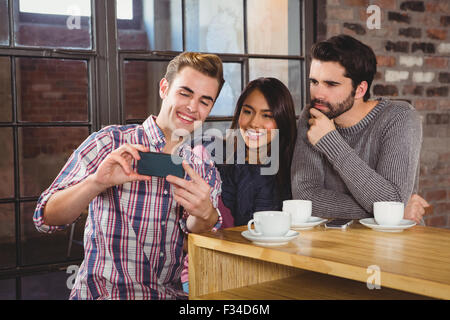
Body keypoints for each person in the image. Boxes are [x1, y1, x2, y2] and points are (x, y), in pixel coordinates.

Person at [33, 52, 225, 300]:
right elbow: (45, 217)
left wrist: (206, 214)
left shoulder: (203, 168)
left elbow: (196, 234)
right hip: (103, 295)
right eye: (185, 93)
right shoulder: (109, 142)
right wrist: (96, 183)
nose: (192, 107)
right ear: (164, 88)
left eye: (204, 101)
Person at [291, 34, 428, 222]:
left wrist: (330, 142)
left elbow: (391, 200)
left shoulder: (400, 117)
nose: (318, 94)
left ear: (360, 90)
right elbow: (305, 198)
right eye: (314, 82)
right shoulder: (312, 115)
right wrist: (388, 213)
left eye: (331, 84)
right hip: (335, 241)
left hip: (393, 242)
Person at [180, 77, 298, 293]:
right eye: (247, 111)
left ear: (282, 120)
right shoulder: (212, 157)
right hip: (213, 270)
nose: (254, 123)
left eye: (267, 115)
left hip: (271, 271)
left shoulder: (290, 168)